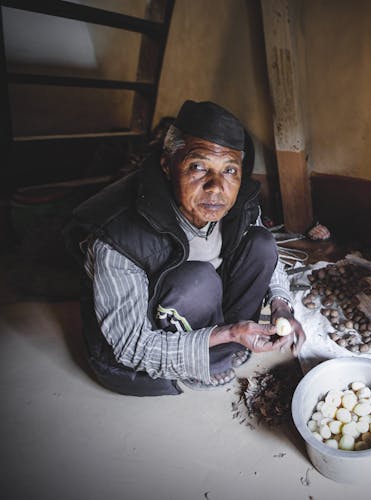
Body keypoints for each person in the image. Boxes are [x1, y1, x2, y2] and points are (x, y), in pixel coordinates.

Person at [64, 100, 306, 396]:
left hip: (207, 306)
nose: (216, 187)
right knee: (198, 281)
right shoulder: (118, 232)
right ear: (168, 165)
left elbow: (269, 261)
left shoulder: (239, 200)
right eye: (198, 166)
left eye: (230, 170)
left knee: (261, 243)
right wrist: (228, 331)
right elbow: (131, 346)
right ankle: (211, 359)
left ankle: (229, 345)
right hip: (149, 332)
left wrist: (282, 306)